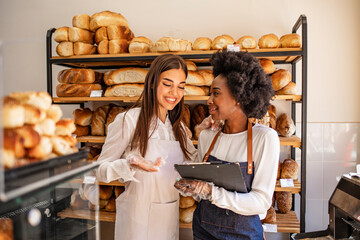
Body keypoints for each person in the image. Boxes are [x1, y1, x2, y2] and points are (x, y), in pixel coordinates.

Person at [94, 54, 205, 240]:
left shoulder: (180, 130)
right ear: (152, 83)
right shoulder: (128, 120)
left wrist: (206, 134)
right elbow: (99, 170)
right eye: (167, 84)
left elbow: (195, 166)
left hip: (169, 217)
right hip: (137, 220)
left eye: (181, 87)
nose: (174, 93)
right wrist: (129, 165)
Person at [175, 50, 280, 240]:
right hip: (203, 231)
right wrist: (193, 189)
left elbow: (261, 202)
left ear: (239, 97)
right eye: (209, 94)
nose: (209, 100)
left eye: (216, 94)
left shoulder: (264, 138)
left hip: (243, 235)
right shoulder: (207, 136)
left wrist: (210, 191)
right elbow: (201, 194)